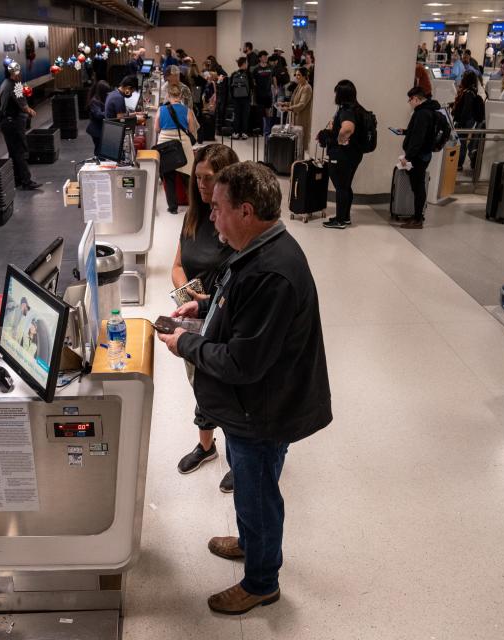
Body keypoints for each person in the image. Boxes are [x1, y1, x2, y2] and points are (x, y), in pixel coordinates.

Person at [156, 161, 332, 615]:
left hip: (263, 410)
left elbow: (241, 361)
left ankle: (261, 582)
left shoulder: (272, 271)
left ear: (247, 211)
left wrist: (186, 345)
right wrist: (201, 308)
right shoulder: (257, 247)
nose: (210, 216)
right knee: (251, 482)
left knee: (257, 493)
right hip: (249, 407)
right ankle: (251, 542)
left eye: (217, 208)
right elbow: (235, 305)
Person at [172, 144, 240, 490]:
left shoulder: (234, 221)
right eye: (197, 177)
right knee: (199, 384)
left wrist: (208, 304)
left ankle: (238, 459)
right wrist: (190, 303)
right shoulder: (193, 216)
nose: (200, 185)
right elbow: (178, 266)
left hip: (227, 320)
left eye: (208, 178)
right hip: (196, 319)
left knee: (228, 391)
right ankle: (206, 445)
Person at [398, 86, 442, 230]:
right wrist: (405, 132)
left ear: (416, 99)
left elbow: (418, 138)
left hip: (418, 156)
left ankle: (417, 220)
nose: (409, 102)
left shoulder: (422, 114)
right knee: (418, 187)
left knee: (418, 188)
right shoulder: (430, 111)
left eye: (410, 99)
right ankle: (417, 216)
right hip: (424, 154)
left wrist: (408, 157)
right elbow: (421, 132)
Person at [321, 81, 363, 230]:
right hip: (354, 154)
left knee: (340, 187)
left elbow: (347, 129)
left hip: (342, 155)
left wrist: (338, 141)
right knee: (346, 186)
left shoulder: (346, 110)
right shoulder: (356, 108)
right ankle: (345, 217)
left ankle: (339, 220)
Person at [154, 84, 197, 214]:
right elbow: (191, 129)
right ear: (181, 96)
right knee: (187, 175)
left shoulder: (161, 109)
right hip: (182, 143)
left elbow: (157, 129)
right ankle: (193, 205)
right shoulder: (187, 110)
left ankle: (172, 208)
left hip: (165, 145)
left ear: (168, 95)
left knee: (169, 176)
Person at [0, 61, 38, 190]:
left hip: (5, 122)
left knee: (13, 152)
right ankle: (27, 181)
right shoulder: (16, 85)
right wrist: (31, 111)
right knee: (20, 151)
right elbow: (24, 106)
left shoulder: (4, 84)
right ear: (14, 73)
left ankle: (16, 180)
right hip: (13, 122)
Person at [452, 71, 484, 170]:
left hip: (465, 121)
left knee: (461, 142)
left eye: (463, 77)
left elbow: (466, 110)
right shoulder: (473, 91)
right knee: (462, 141)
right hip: (468, 120)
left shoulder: (468, 93)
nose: (461, 79)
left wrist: (460, 123)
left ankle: (458, 163)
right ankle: (458, 163)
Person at [278, 66, 313, 145]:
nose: (296, 77)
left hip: (301, 118)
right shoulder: (299, 85)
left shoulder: (307, 88)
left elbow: (301, 104)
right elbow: (294, 102)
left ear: (304, 76)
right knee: (294, 143)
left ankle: (300, 157)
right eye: (296, 75)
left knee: (300, 143)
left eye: (299, 75)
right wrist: (284, 104)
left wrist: (288, 108)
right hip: (295, 117)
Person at [251, 50, 275, 138]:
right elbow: (253, 81)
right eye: (264, 56)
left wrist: (275, 89)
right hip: (259, 94)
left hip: (268, 94)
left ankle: (268, 131)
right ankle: (260, 130)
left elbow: (274, 78)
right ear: (260, 58)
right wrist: (254, 92)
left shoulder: (271, 67)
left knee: (268, 112)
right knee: (260, 112)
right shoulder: (256, 69)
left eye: (266, 56)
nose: (265, 58)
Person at [86, 80, 110, 157]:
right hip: (96, 130)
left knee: (101, 149)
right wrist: (110, 112)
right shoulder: (94, 101)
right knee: (99, 150)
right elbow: (98, 115)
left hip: (100, 129)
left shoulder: (100, 99)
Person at [229, 58, 253, 139]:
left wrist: (233, 97)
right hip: (246, 98)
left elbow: (230, 88)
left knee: (237, 115)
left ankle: (236, 133)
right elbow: (252, 86)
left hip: (236, 99)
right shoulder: (248, 74)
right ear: (244, 64)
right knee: (245, 115)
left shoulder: (233, 74)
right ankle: (244, 133)